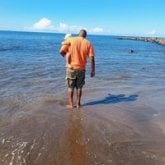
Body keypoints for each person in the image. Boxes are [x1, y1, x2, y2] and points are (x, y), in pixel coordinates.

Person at [59, 29, 95, 109]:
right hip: (81, 69)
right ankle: (78, 104)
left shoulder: (70, 40)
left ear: (78, 34)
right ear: (85, 36)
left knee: (70, 87)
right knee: (79, 87)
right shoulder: (88, 43)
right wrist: (92, 70)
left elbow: (61, 51)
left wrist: (66, 57)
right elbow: (92, 58)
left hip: (71, 68)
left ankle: (71, 105)